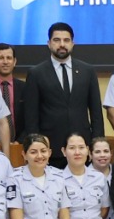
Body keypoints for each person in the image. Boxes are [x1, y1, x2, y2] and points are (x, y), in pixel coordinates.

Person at [21, 22, 103, 168]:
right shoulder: (36, 73)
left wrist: (96, 144)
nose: (62, 44)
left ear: (73, 43)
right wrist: (36, 147)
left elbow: (96, 112)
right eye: (56, 40)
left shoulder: (87, 71)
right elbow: (31, 116)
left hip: (82, 147)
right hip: (51, 149)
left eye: (66, 40)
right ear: (49, 43)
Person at [0, 42, 25, 136]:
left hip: (20, 144)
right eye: (1, 58)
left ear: (14, 62)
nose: (5, 62)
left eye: (9, 58)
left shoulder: (25, 87)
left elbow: (30, 119)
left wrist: (20, 141)